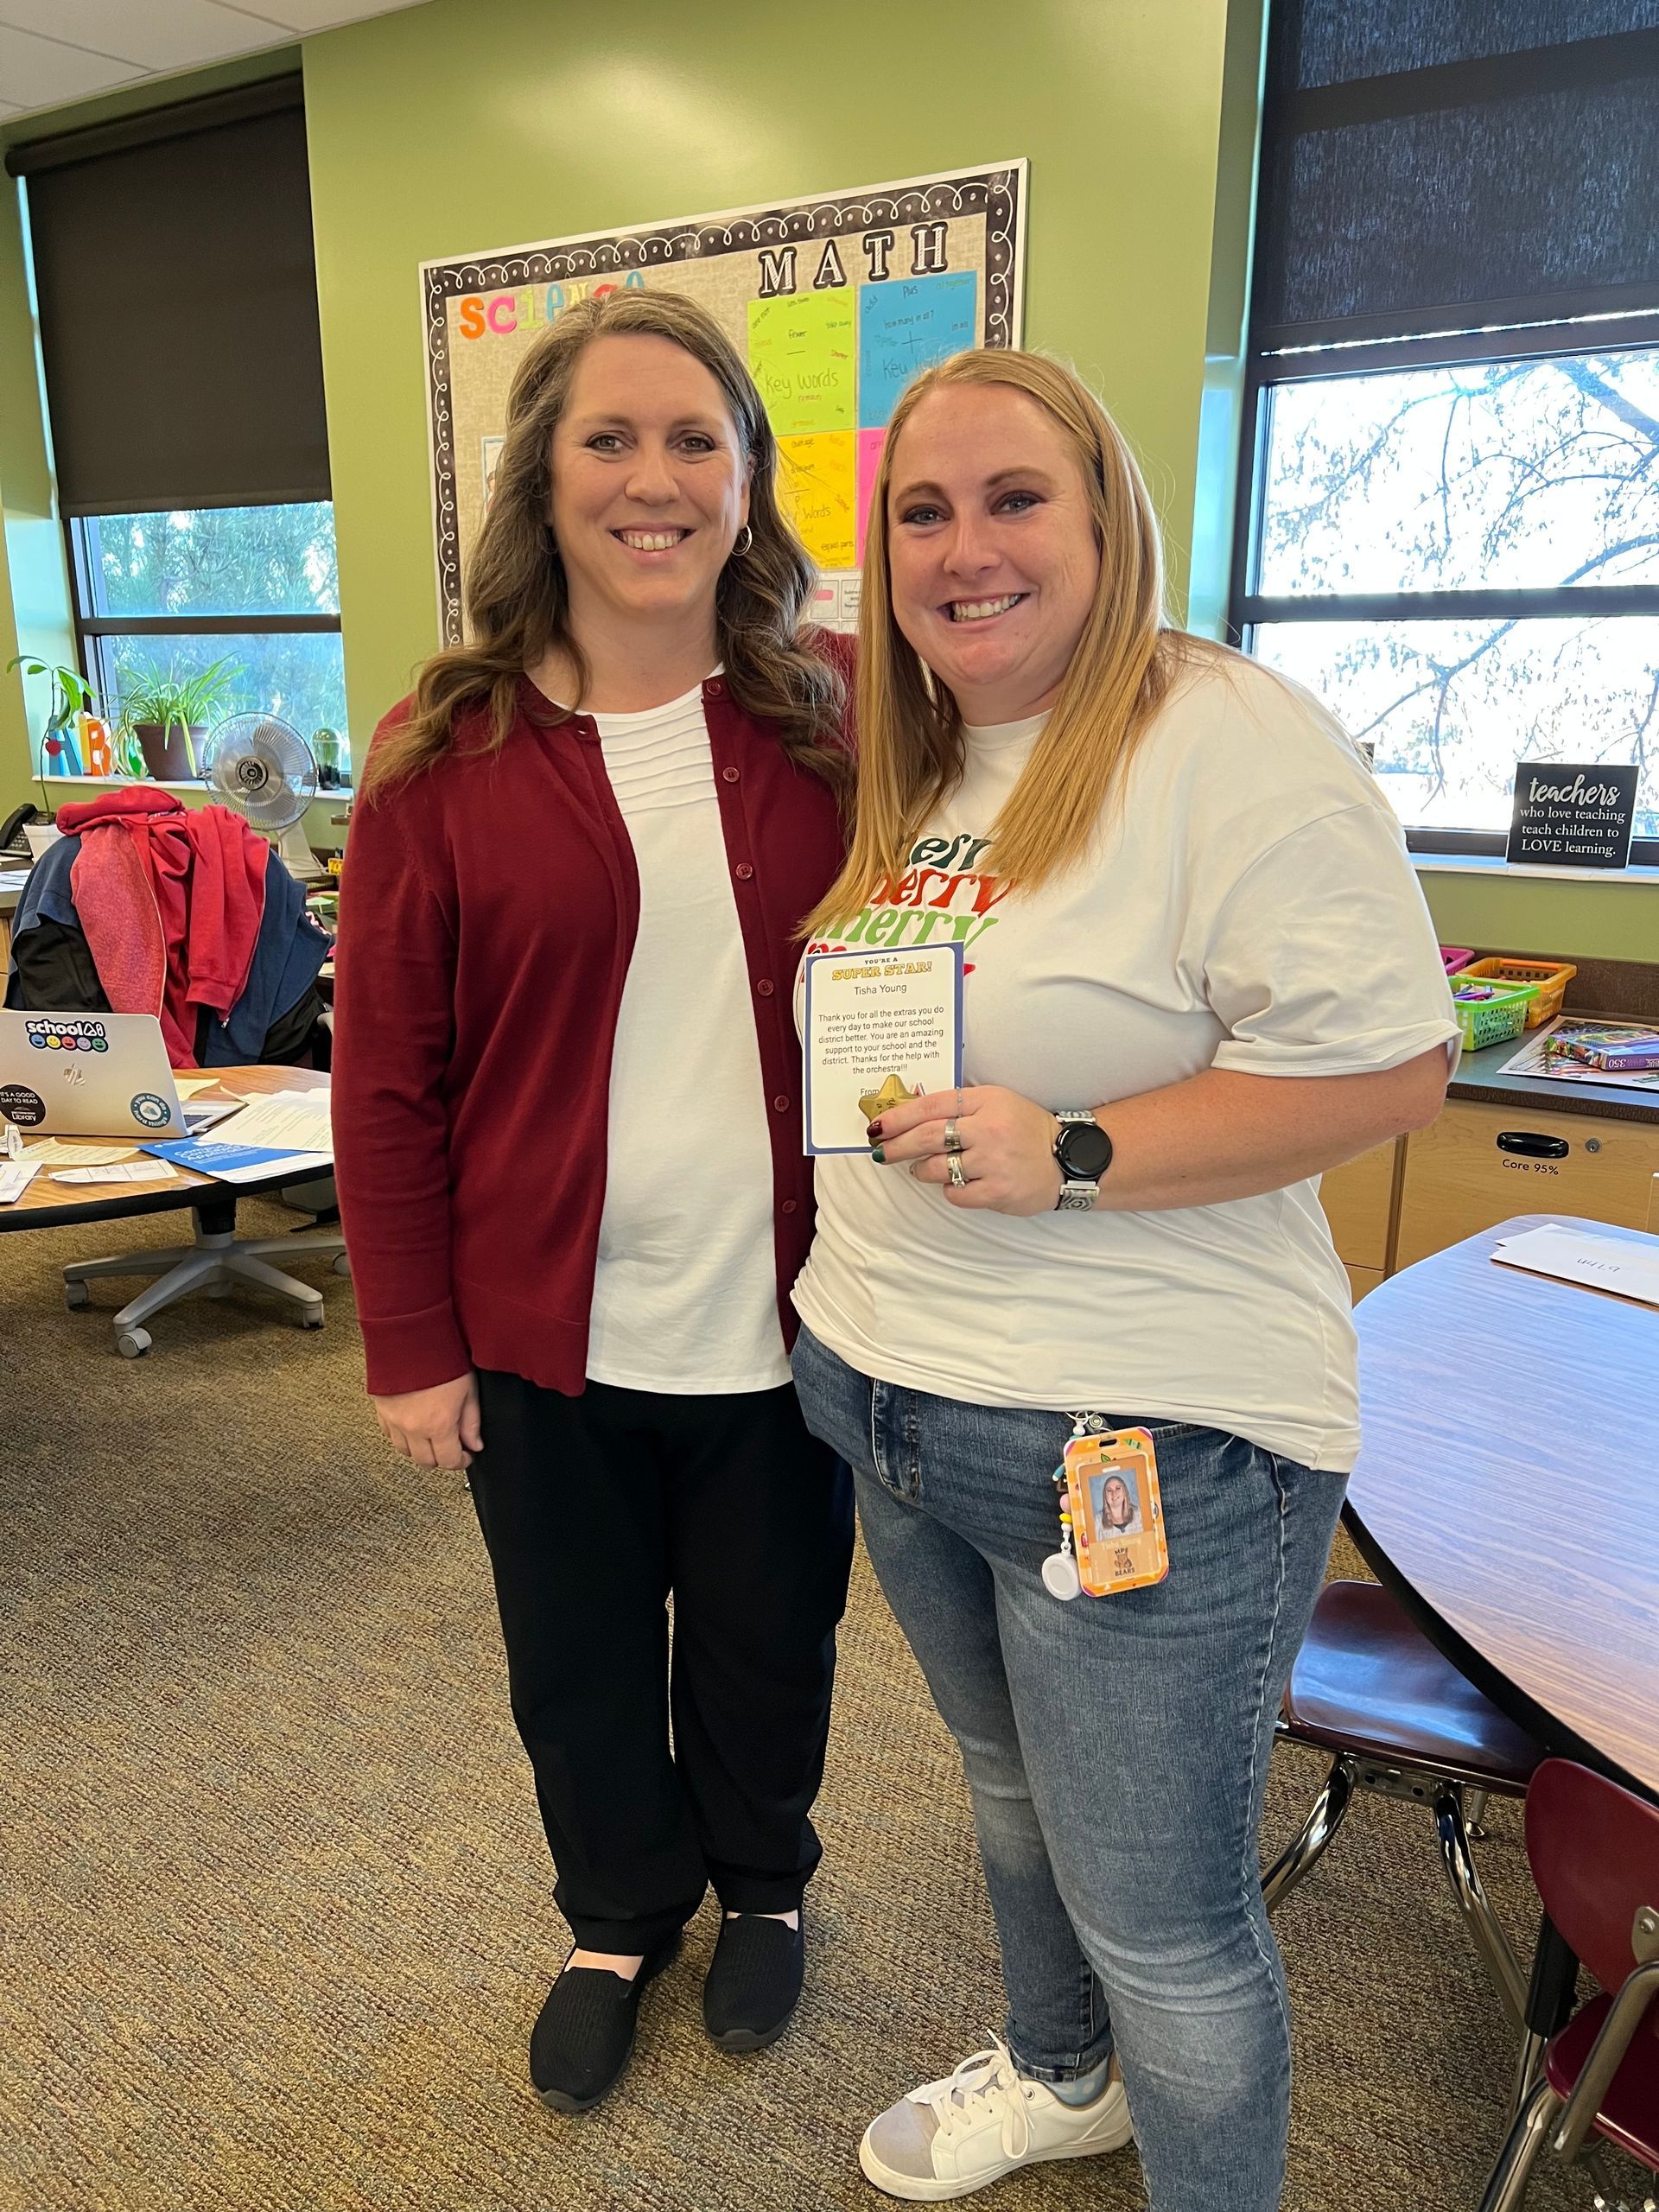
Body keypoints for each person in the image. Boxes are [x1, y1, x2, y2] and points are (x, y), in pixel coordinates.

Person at [788, 348, 1458, 2212]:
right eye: (922, 509)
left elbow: (1392, 1062)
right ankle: (1063, 2072)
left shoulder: (1223, 735)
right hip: (890, 1390)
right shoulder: (912, 756)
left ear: (1109, 520)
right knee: (1009, 1803)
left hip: (1144, 1431)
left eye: (1015, 500)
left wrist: (1079, 1150)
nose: (963, 547)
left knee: (1168, 1921)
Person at [332, 289, 855, 2117]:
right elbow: (385, 1076)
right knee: (571, 1654)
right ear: (543, 485)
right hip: (542, 1321)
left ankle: (766, 1877)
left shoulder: (833, 716)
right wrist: (410, 1338)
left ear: (746, 477)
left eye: (694, 438)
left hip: (790, 1318)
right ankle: (617, 1913)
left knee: (768, 1636)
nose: (655, 478)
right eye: (609, 440)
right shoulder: (440, 747)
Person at [1091, 1470, 1142, 1538]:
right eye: (1109, 1490)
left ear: (1124, 1492)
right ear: (1105, 1496)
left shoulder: (1140, 1514)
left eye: (1118, 1488)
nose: (1114, 1493)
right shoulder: (1097, 1521)